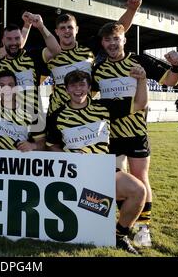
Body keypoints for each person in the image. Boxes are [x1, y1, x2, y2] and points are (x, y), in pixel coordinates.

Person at [91, 22, 178, 247]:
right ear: (103, 43)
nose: (112, 44)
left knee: (141, 179)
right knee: (117, 181)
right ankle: (122, 223)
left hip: (136, 133)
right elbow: (84, 96)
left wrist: (176, 65)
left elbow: (171, 80)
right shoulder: (98, 69)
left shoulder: (139, 61)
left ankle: (143, 229)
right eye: (107, 40)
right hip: (110, 135)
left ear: (124, 40)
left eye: (116, 39)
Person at [46, 69, 149, 254]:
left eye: (82, 84)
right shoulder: (57, 116)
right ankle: (93, 213)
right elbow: (51, 146)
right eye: (73, 85)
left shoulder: (103, 107)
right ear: (67, 89)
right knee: (93, 213)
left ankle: (119, 236)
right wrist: (69, 156)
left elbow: (140, 103)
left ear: (89, 87)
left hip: (103, 170)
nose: (78, 89)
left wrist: (142, 79)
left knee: (138, 191)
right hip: (74, 174)